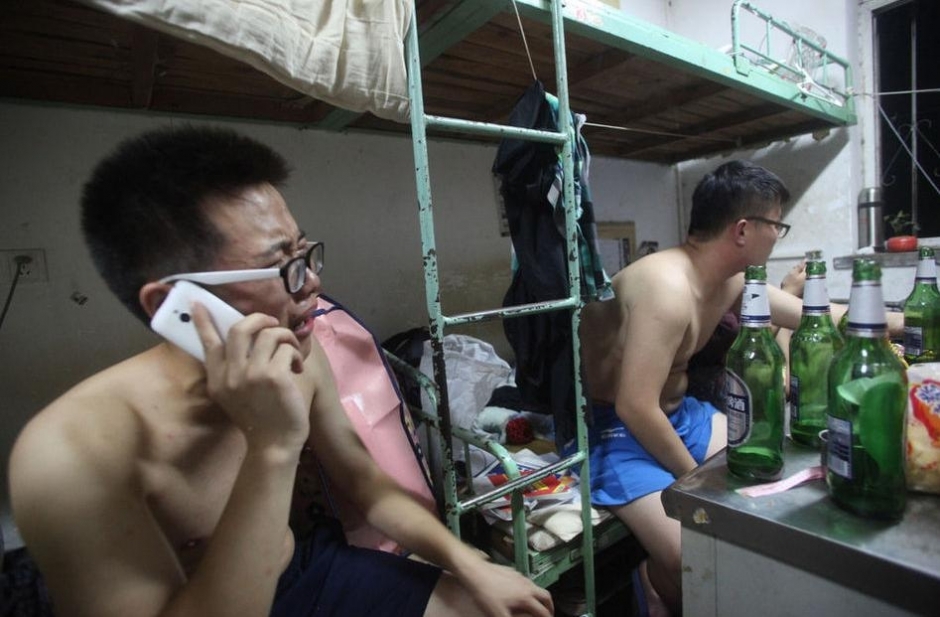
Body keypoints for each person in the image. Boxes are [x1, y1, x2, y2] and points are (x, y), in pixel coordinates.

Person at [8, 125, 554, 617]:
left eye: (305, 253)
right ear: (176, 303)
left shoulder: (301, 354)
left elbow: (366, 484)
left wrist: (470, 564)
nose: (312, 282)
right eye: (281, 266)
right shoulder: (70, 453)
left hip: (305, 570)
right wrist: (272, 446)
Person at [578, 160, 822, 615]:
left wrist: (898, 321)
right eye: (777, 224)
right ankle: (651, 581)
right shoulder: (667, 287)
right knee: (696, 551)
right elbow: (634, 406)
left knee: (767, 472)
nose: (778, 235)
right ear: (743, 230)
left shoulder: (728, 281)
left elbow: (815, 314)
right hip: (615, 431)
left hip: (678, 414)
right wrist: (697, 483)